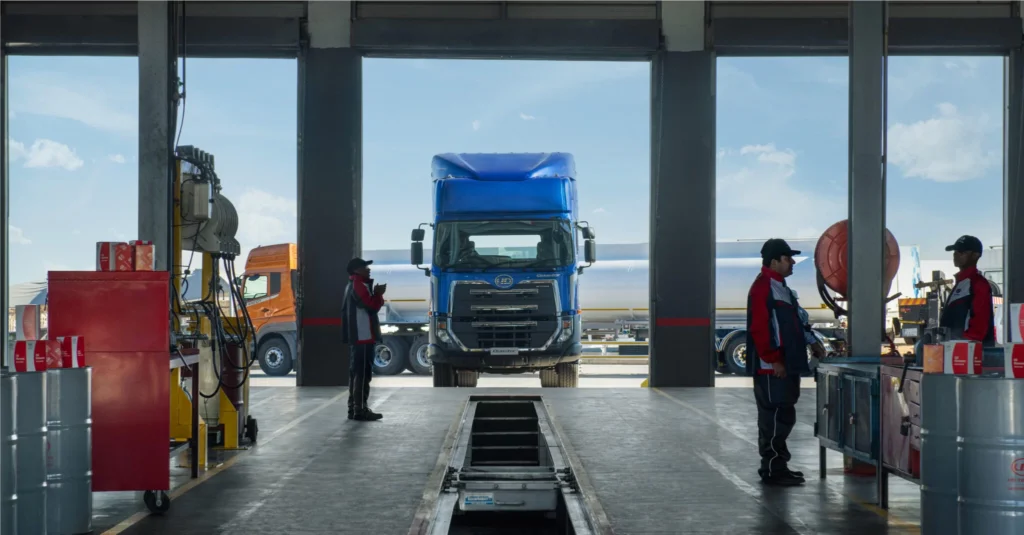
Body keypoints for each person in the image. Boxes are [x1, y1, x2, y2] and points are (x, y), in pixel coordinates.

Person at [746, 238, 811, 486]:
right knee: (774, 419)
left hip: (786, 365)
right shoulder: (763, 287)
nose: (792, 262)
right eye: (787, 258)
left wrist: (811, 342)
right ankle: (772, 468)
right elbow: (760, 329)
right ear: (774, 261)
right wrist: (774, 360)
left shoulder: (780, 287)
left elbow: (793, 323)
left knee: (784, 416)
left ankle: (778, 465)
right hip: (772, 368)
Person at [342, 257, 386, 421]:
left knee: (357, 372)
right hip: (363, 336)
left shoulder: (354, 285)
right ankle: (360, 410)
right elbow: (371, 306)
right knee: (363, 373)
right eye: (364, 266)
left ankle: (353, 409)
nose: (368, 269)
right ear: (356, 270)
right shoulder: (358, 285)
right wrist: (378, 295)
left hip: (360, 336)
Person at [940, 235, 995, 346]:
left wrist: (963, 346)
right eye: (955, 251)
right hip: (957, 350)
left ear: (975, 255)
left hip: (971, 353)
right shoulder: (962, 282)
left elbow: (980, 324)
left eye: (962, 252)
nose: (956, 254)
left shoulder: (978, 284)